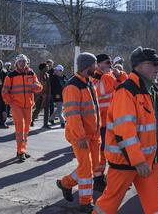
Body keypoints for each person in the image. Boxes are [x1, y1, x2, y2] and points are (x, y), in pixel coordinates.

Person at [92, 47, 158, 214]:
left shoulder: (152, 91)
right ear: (138, 66)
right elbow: (124, 131)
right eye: (153, 63)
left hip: (150, 162)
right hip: (125, 162)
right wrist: (138, 160)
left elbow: (155, 131)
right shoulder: (126, 91)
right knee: (108, 206)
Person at [56, 53, 101, 213]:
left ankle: (65, 183)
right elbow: (73, 116)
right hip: (80, 136)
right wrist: (80, 136)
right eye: (95, 65)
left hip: (93, 135)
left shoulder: (88, 82)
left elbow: (93, 110)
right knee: (86, 169)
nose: (96, 68)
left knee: (95, 166)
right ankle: (85, 202)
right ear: (87, 67)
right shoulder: (72, 86)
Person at [2, 54, 43, 162]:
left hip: (28, 105)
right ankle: (21, 152)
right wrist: (9, 102)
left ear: (27, 63)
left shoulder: (31, 73)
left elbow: (39, 87)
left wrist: (36, 86)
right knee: (20, 128)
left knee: (26, 129)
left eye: (24, 61)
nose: (22, 63)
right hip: (16, 105)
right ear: (16, 63)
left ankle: (22, 150)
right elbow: (5, 91)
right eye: (20, 61)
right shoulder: (10, 75)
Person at [91, 53, 120, 189]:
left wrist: (118, 75)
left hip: (112, 120)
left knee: (114, 151)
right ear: (99, 64)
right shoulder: (95, 77)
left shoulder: (107, 76)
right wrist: (112, 75)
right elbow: (103, 90)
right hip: (101, 122)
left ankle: (110, 178)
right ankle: (98, 178)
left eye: (111, 63)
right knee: (102, 152)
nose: (111, 65)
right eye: (108, 63)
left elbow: (122, 86)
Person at [32, 63, 51, 129]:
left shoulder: (47, 75)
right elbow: (38, 86)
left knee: (46, 110)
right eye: (47, 67)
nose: (48, 68)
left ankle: (45, 124)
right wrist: (39, 95)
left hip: (46, 95)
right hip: (39, 96)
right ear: (43, 68)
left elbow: (48, 86)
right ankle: (31, 120)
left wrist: (49, 94)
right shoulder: (37, 75)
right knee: (38, 109)